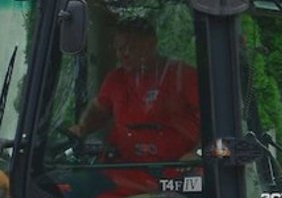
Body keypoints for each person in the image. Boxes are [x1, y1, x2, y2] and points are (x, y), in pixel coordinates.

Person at [70, 17, 200, 163]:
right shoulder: (116, 78)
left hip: (174, 168)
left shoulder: (182, 76)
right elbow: (99, 109)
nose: (124, 54)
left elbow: (210, 119)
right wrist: (82, 127)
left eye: (131, 48)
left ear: (151, 44)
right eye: (119, 49)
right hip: (123, 167)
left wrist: (197, 153)